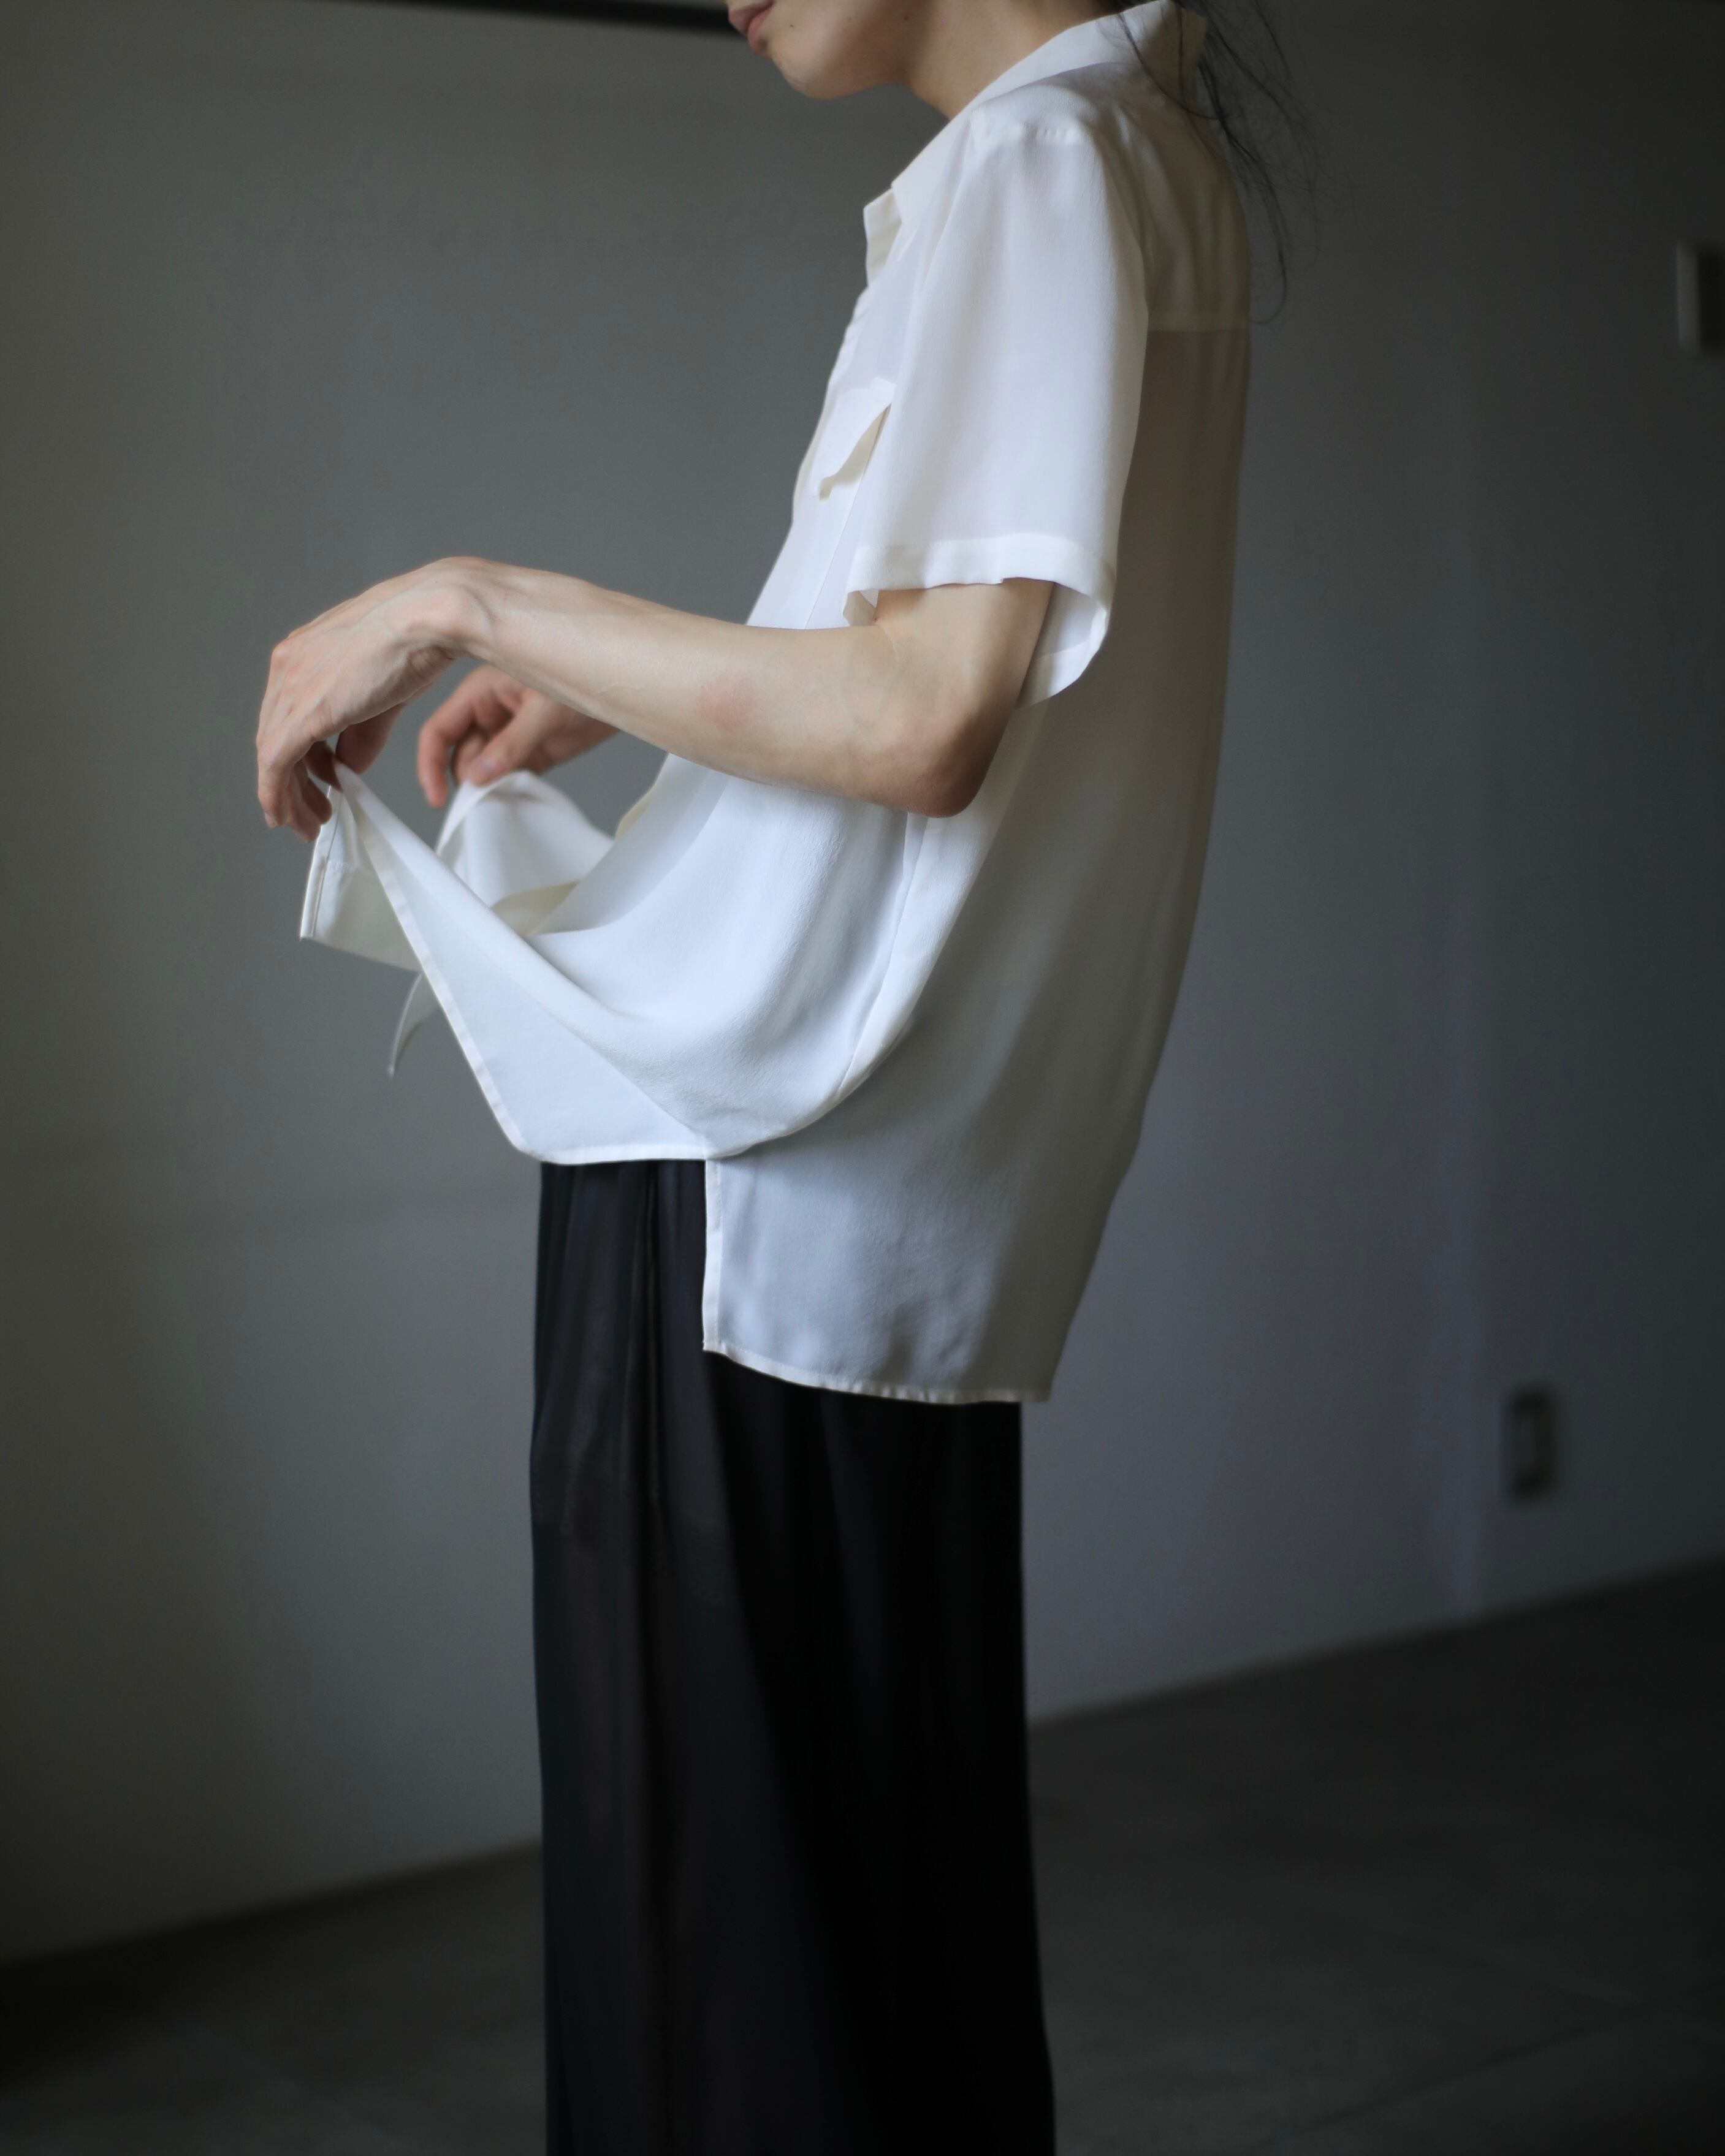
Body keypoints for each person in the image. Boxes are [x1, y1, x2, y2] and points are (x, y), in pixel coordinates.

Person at [255, 2, 1286, 2147]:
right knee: (872, 1942)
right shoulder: (1145, 159)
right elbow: (934, 664)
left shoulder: (1037, 166)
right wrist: (613, 693)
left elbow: (923, 719)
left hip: (751, 1182)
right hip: (880, 1220)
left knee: (718, 1976)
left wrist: (468, 601)